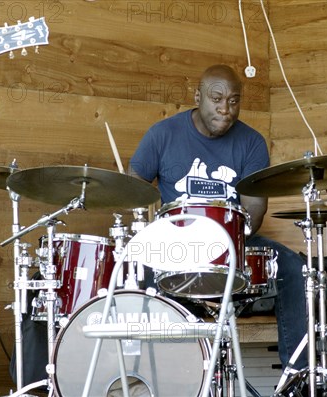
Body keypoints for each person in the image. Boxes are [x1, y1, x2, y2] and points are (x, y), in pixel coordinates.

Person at [129, 64, 308, 370]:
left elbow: (255, 208)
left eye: (234, 101)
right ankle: (150, 376)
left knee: (295, 269)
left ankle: (297, 373)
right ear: (198, 96)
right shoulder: (163, 135)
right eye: (217, 98)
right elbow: (131, 188)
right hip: (175, 246)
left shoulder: (251, 142)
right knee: (136, 273)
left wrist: (230, 241)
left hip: (233, 244)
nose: (225, 109)